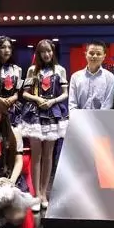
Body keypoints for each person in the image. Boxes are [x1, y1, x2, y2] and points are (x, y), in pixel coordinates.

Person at [19, 39, 68, 211]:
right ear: (38, 54)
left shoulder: (60, 70)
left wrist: (52, 101)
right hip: (35, 113)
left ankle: (44, 194)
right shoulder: (32, 70)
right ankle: (35, 195)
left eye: (49, 51)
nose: (46, 54)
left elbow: (65, 93)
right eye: (43, 52)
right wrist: (38, 99)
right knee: (36, 155)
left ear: (53, 52)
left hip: (53, 113)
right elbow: (25, 93)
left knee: (48, 155)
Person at [68, 40, 114, 110]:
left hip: (102, 116)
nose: (95, 56)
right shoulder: (75, 77)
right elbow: (72, 104)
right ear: (86, 54)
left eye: (98, 54)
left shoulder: (109, 77)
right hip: (79, 116)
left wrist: (98, 117)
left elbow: (108, 104)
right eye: (91, 53)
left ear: (104, 56)